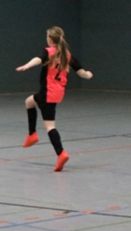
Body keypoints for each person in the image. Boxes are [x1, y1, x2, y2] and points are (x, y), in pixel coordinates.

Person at [16, 26, 92, 171]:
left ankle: (61, 153)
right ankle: (32, 135)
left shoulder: (49, 52)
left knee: (50, 126)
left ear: (50, 40)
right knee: (29, 101)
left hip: (47, 92)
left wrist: (26, 66)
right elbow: (82, 73)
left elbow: (38, 59)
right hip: (58, 92)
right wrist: (88, 74)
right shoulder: (67, 55)